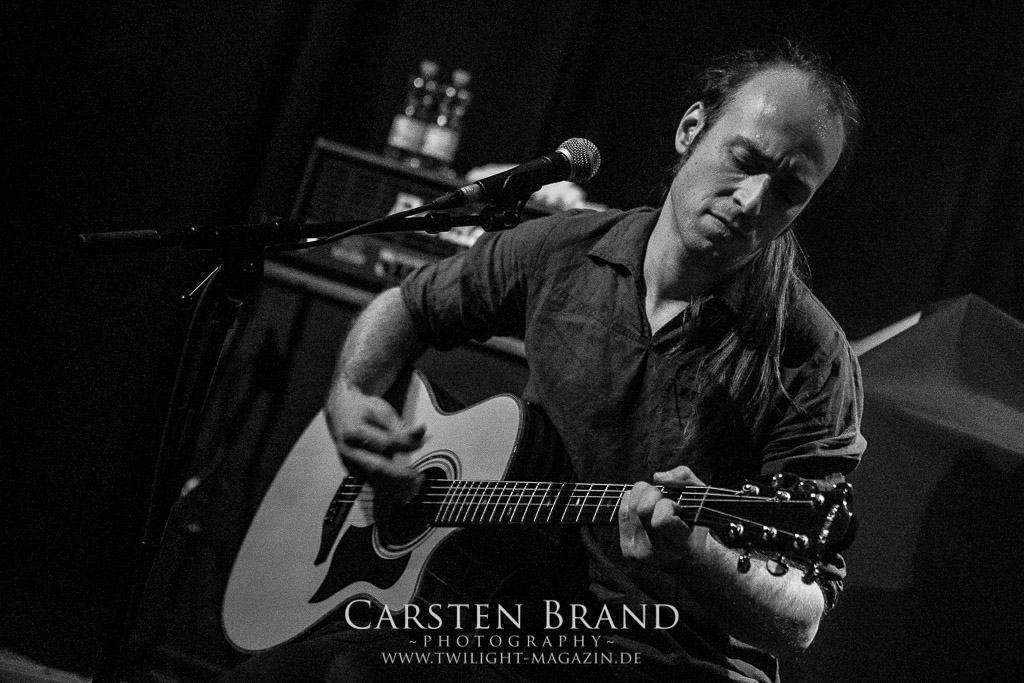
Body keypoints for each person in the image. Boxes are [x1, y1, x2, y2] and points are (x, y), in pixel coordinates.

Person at [222, 42, 865, 683]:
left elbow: (801, 618)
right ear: (690, 129)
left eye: (788, 193)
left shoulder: (810, 354)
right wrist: (351, 393)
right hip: (505, 619)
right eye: (744, 160)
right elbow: (407, 306)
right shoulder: (568, 249)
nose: (752, 201)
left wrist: (696, 551)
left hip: (668, 656)